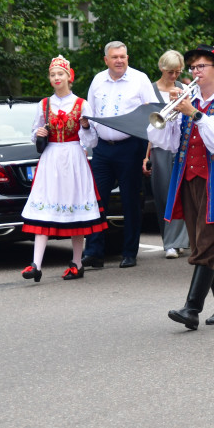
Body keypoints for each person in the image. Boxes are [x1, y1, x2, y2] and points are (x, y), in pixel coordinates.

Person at [148, 45, 214, 331]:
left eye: (201, 66)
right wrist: (169, 114)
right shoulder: (185, 101)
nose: (195, 72)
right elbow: (164, 142)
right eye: (192, 68)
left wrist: (195, 114)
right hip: (188, 180)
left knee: (206, 243)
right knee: (203, 243)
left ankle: (192, 308)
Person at [20, 55, 107, 282]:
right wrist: (39, 134)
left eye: (60, 74)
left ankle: (77, 263)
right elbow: (33, 134)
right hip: (51, 159)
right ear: (50, 79)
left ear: (69, 77)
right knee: (44, 206)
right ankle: (35, 264)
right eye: (53, 75)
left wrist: (86, 125)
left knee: (75, 208)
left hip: (74, 158)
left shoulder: (81, 104)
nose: (57, 78)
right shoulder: (44, 104)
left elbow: (91, 142)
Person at [81, 41, 158, 270]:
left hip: (130, 146)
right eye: (114, 57)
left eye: (123, 56)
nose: (119, 61)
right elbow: (91, 113)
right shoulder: (97, 80)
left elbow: (153, 112)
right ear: (106, 60)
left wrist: (147, 152)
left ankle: (129, 252)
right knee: (97, 200)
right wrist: (88, 131)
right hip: (103, 147)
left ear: (127, 57)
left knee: (130, 201)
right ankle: (94, 252)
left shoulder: (139, 79)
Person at [143, 51, 192, 259]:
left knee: (181, 193)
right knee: (163, 194)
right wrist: (146, 157)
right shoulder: (150, 90)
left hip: (180, 146)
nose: (174, 76)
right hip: (158, 148)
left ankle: (177, 241)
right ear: (161, 68)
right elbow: (147, 127)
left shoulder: (184, 88)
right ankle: (169, 241)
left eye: (178, 72)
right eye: (170, 72)